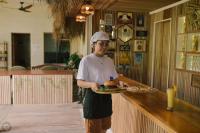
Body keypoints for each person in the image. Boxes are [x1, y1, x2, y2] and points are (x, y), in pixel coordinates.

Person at [76, 31, 118, 133]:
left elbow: (115, 78)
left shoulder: (109, 61)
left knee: (104, 128)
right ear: (93, 45)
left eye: (106, 44)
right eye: (101, 44)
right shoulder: (86, 60)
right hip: (92, 98)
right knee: (92, 130)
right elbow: (79, 82)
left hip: (106, 98)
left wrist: (118, 83)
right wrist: (91, 84)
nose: (104, 47)